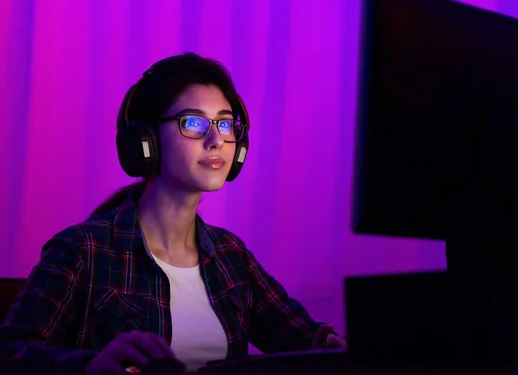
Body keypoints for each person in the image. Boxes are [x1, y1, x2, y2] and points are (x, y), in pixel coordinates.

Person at [0, 53, 346, 374]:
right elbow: (9, 352)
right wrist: (91, 366)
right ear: (146, 141)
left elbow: (311, 342)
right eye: (193, 122)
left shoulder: (232, 257)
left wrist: (340, 345)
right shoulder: (82, 250)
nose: (216, 140)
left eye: (225, 125)